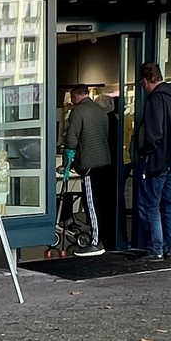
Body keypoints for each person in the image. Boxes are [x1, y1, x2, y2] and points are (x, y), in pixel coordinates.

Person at [136, 62, 171, 259]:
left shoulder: (155, 99)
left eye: (142, 83)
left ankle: (155, 249)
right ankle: (167, 247)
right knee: (167, 204)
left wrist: (144, 151)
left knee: (150, 205)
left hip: (157, 160)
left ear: (146, 80)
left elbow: (154, 134)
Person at [63, 84, 110, 256]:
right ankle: (103, 239)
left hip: (89, 163)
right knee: (101, 203)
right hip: (104, 161)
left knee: (91, 204)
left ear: (76, 96)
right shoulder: (100, 111)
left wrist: (67, 163)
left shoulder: (78, 112)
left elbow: (72, 138)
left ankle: (96, 243)